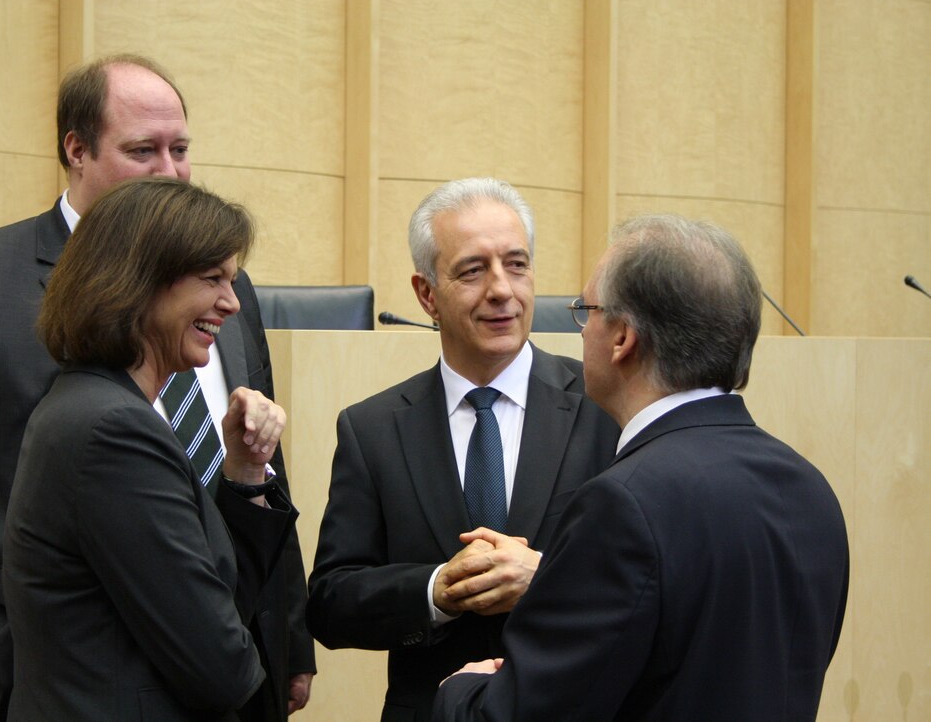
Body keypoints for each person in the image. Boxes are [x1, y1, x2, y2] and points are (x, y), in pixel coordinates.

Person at [0, 54, 314, 722]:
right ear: (76, 150)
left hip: (219, 659)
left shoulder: (228, 291)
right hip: (27, 677)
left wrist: (286, 636)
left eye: (180, 149)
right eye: (143, 150)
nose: (169, 171)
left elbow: (256, 459)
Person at [433, 214, 850, 722]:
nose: (582, 331)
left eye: (586, 312)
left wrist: (462, 691)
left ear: (622, 338)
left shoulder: (622, 504)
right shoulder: (810, 487)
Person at [307, 177, 620, 720]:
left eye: (517, 265)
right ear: (426, 293)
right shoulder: (373, 428)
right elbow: (332, 603)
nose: (502, 289)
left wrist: (545, 575)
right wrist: (434, 590)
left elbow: (650, 577)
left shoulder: (606, 408)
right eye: (473, 270)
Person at [4, 177, 295, 720]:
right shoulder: (115, 432)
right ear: (137, 282)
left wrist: (246, 471)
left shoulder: (89, 405)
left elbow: (220, 600)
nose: (232, 303)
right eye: (213, 279)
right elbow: (223, 667)